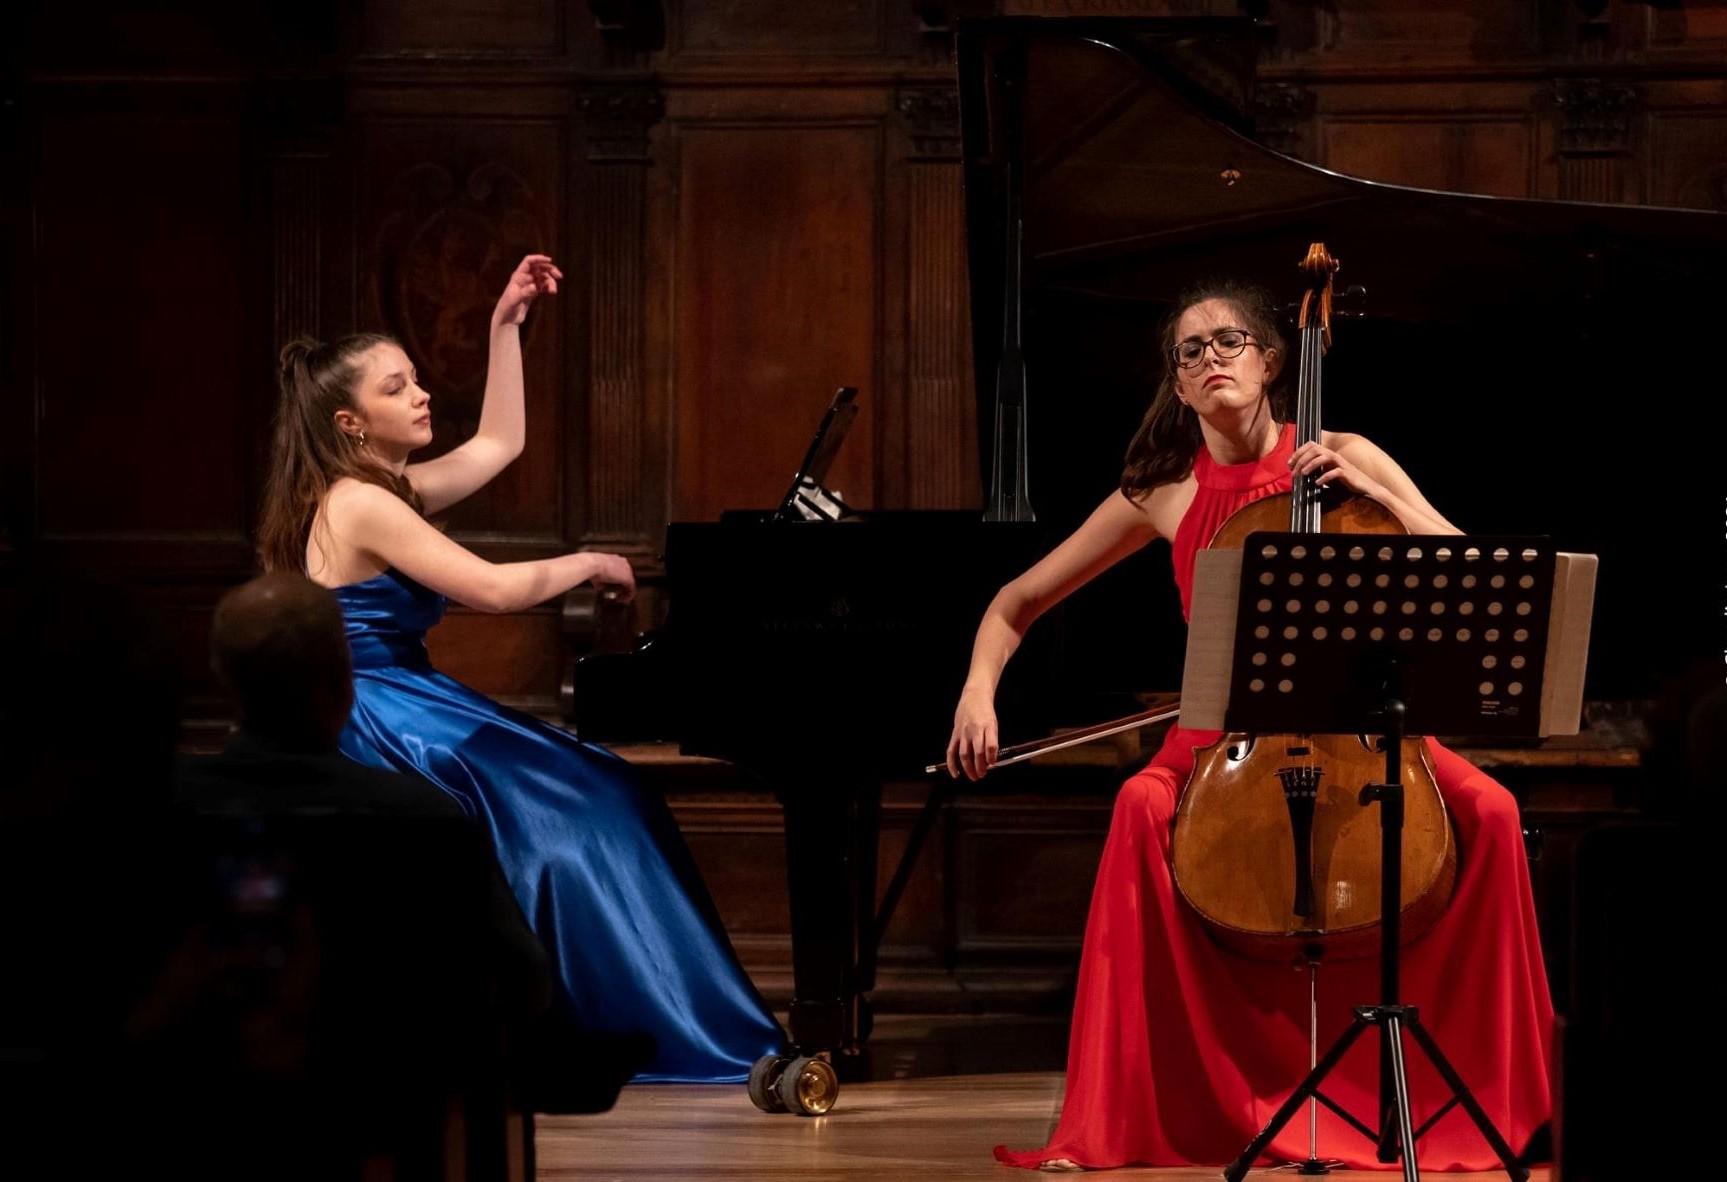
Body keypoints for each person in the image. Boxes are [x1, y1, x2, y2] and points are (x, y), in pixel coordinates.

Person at [950, 281, 1552, 1170]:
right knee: (1134, 812)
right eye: (1187, 352)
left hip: (1364, 726)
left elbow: (1469, 558)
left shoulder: (1344, 450)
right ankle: (1122, 1118)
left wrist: (1374, 496)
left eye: (1226, 341)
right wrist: (976, 690)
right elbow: (1016, 601)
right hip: (1219, 742)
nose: (1208, 360)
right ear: (1177, 384)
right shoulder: (1162, 491)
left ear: (1272, 361)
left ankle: (1495, 1102)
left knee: (1494, 814)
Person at [256, 253, 783, 1083]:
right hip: (376, 713)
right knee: (588, 805)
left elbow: (502, 441)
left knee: (604, 792)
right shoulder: (359, 503)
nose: (421, 392)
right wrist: (589, 562)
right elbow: (493, 591)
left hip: (402, 696)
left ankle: (619, 1016)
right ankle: (605, 1025)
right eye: (395, 387)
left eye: (415, 378)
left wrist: (506, 325)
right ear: (350, 423)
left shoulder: (384, 491)